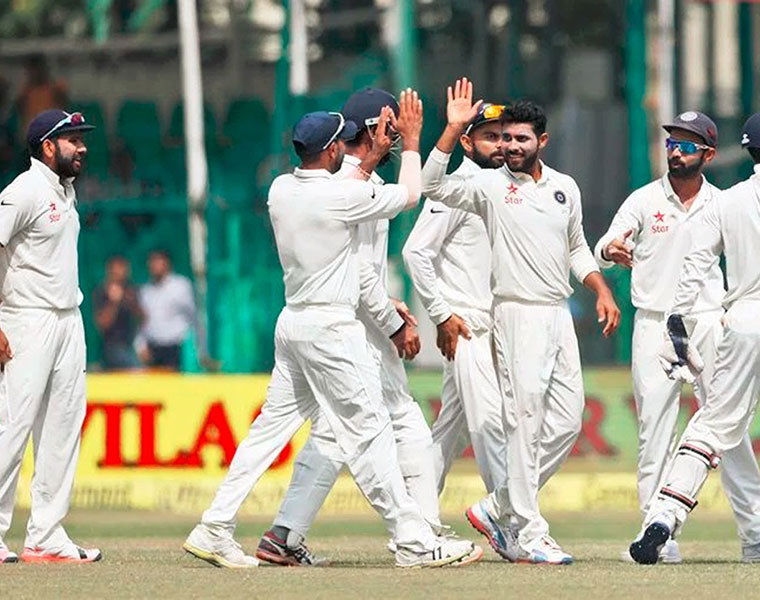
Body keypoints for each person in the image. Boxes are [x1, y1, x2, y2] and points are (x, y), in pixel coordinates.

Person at [182, 109, 477, 569]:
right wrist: (413, 142)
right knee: (371, 434)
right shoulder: (343, 196)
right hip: (332, 331)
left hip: (294, 322)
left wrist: (368, 160)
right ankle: (415, 541)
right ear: (334, 149)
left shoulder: (281, 189)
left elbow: (346, 188)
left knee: (267, 432)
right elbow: (411, 194)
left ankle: (214, 526)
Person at [422, 79, 620, 564]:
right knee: (524, 422)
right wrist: (450, 131)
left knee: (568, 420)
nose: (510, 147)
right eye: (505, 138)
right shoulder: (487, 186)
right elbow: (431, 186)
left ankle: (501, 504)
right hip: (513, 313)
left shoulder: (563, 188)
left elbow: (576, 247)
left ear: (541, 142)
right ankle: (529, 532)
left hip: (558, 314)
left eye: (520, 139)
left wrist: (601, 288)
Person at [595, 111, 760, 564]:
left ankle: (752, 530)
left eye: (687, 145)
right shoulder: (645, 199)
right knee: (656, 431)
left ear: (709, 153)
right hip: (656, 323)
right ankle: (658, 534)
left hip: (716, 322)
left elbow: (702, 269)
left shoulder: (725, 201)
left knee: (729, 433)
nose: (675, 150)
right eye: (672, 143)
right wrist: (610, 249)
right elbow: (607, 244)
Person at [0, 109, 101, 564]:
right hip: (26, 319)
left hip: (66, 318)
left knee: (62, 427)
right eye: (73, 140)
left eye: (81, 139)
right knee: (12, 426)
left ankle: (45, 534)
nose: (81, 147)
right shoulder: (23, 191)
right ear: (47, 147)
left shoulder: (65, 189)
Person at [402, 102, 508, 496]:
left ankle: (416, 517)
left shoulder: (500, 188)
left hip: (495, 326)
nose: (500, 145)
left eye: (503, 136)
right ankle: (510, 521)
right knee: (490, 424)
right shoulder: (455, 188)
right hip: (466, 326)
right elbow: (415, 252)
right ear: (466, 142)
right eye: (489, 137)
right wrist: (442, 315)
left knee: (450, 429)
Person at [137, 249, 195, 371]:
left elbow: (192, 316)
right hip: (153, 348)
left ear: (167, 263)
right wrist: (140, 344)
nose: (155, 266)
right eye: (152, 262)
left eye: (159, 262)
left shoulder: (180, 286)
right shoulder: (145, 291)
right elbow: (142, 321)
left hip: (175, 347)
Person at [94, 255, 143, 370]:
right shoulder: (102, 291)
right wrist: (113, 303)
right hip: (112, 347)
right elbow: (102, 324)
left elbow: (142, 318)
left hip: (132, 343)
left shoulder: (132, 290)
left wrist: (130, 301)